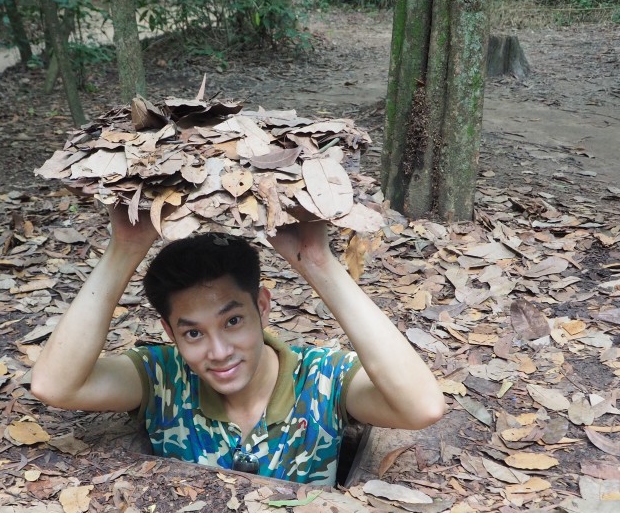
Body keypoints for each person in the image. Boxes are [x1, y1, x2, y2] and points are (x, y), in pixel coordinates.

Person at [30, 205, 446, 485]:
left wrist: (318, 263)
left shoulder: (322, 377)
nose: (219, 351)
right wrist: (125, 248)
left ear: (262, 307)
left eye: (232, 321)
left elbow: (421, 407)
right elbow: (56, 386)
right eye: (193, 333)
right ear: (170, 333)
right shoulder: (162, 378)